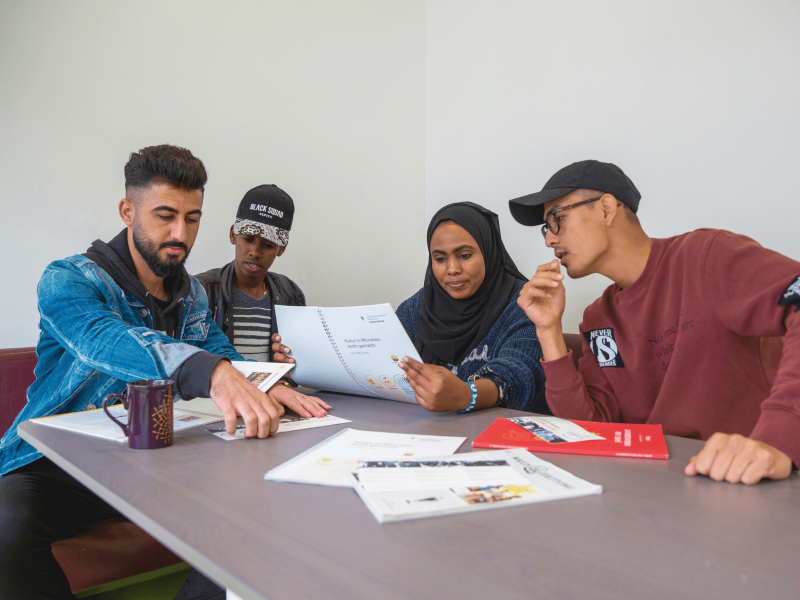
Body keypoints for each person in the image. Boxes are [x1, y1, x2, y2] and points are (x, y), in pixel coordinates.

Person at [0, 144, 327, 600]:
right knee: (5, 523)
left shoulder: (190, 293)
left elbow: (219, 349)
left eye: (192, 219)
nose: (181, 233)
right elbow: (104, 339)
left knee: (262, 511)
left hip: (158, 460)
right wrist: (211, 373)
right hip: (55, 466)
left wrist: (269, 383)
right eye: (165, 216)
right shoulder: (68, 279)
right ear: (128, 211)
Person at [509, 159, 799, 485]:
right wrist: (548, 330)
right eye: (546, 229)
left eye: (557, 218)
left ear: (606, 209)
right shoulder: (599, 321)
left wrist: (778, 438)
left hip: (748, 481)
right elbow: (589, 429)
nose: (549, 240)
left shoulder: (706, 257)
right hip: (656, 489)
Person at [273, 202, 547, 413]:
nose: (452, 269)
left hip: (501, 442)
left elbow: (521, 376)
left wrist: (468, 394)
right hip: (425, 436)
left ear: (488, 251)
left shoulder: (524, 303)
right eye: (440, 258)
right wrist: (304, 362)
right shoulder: (418, 307)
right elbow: (374, 366)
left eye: (464, 255)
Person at [194, 185, 315, 370]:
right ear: (233, 234)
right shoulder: (201, 290)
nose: (255, 252)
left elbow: (299, 365)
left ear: (281, 248)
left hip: (273, 388)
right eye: (248, 239)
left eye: (268, 245)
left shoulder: (290, 294)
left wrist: (291, 370)